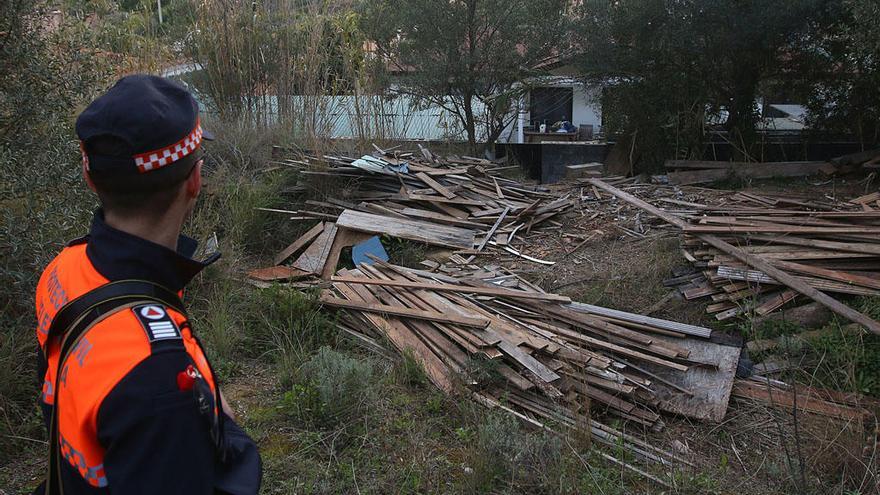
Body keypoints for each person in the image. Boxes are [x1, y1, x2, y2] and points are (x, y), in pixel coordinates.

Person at [33, 75, 261, 494]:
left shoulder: (64, 269)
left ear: (91, 179)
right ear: (195, 181)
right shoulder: (159, 383)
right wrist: (220, 420)